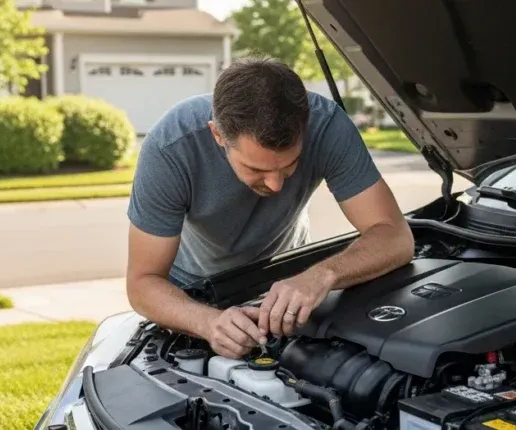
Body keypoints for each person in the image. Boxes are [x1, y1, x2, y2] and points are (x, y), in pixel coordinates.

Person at [126, 57, 414, 359]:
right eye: (256, 169)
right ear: (218, 135)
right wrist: (209, 323)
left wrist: (321, 276)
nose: (276, 186)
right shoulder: (171, 147)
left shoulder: (327, 125)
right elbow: (143, 282)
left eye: (290, 165)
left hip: (292, 279)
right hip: (194, 291)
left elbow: (396, 237)